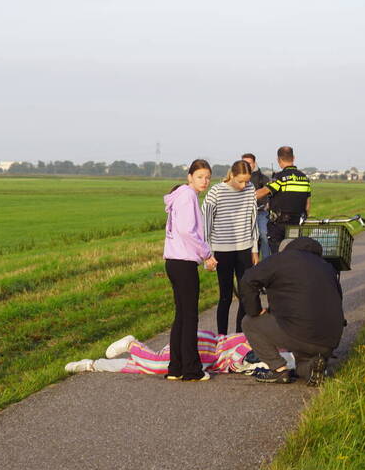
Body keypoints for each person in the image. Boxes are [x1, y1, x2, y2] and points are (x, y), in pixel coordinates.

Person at [237, 237, 344, 386]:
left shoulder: (281, 259)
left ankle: (279, 370)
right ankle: (312, 368)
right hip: (329, 342)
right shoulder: (327, 267)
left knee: (249, 322)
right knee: (302, 358)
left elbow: (247, 279)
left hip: (299, 333)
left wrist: (255, 310)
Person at [163, 159, 216, 381]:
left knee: (182, 316)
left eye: (207, 178)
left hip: (174, 261)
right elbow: (187, 231)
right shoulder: (187, 196)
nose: (204, 182)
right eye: (200, 177)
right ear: (190, 177)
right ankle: (191, 369)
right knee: (190, 316)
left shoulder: (181, 195)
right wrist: (207, 254)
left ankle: (175, 367)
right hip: (183, 263)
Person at [63, 332, 293, 375]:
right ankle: (132, 344)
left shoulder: (281, 350)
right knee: (155, 366)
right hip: (207, 347)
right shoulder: (261, 343)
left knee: (147, 368)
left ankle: (93, 365)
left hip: (207, 359)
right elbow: (239, 358)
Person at [203, 160, 260, 334]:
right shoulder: (216, 191)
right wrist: (208, 253)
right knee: (225, 296)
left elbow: (253, 219)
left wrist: (255, 248)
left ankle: (239, 335)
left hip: (244, 248)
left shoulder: (250, 189)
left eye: (247, 181)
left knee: (246, 295)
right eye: (240, 181)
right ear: (232, 175)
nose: (244, 185)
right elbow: (206, 223)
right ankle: (221, 337)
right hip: (222, 250)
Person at [252, 146, 312, 254]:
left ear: (278, 160)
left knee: (278, 256)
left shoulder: (280, 177)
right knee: (294, 253)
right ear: (293, 158)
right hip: (296, 224)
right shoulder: (304, 179)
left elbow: (263, 192)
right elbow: (307, 205)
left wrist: (244, 197)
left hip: (279, 226)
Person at [242, 153, 272, 259]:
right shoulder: (239, 179)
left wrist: (265, 204)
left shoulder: (263, 178)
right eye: (244, 163)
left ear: (254, 163)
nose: (246, 165)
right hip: (244, 213)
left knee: (264, 234)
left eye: (249, 163)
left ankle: (266, 261)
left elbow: (267, 195)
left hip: (260, 212)